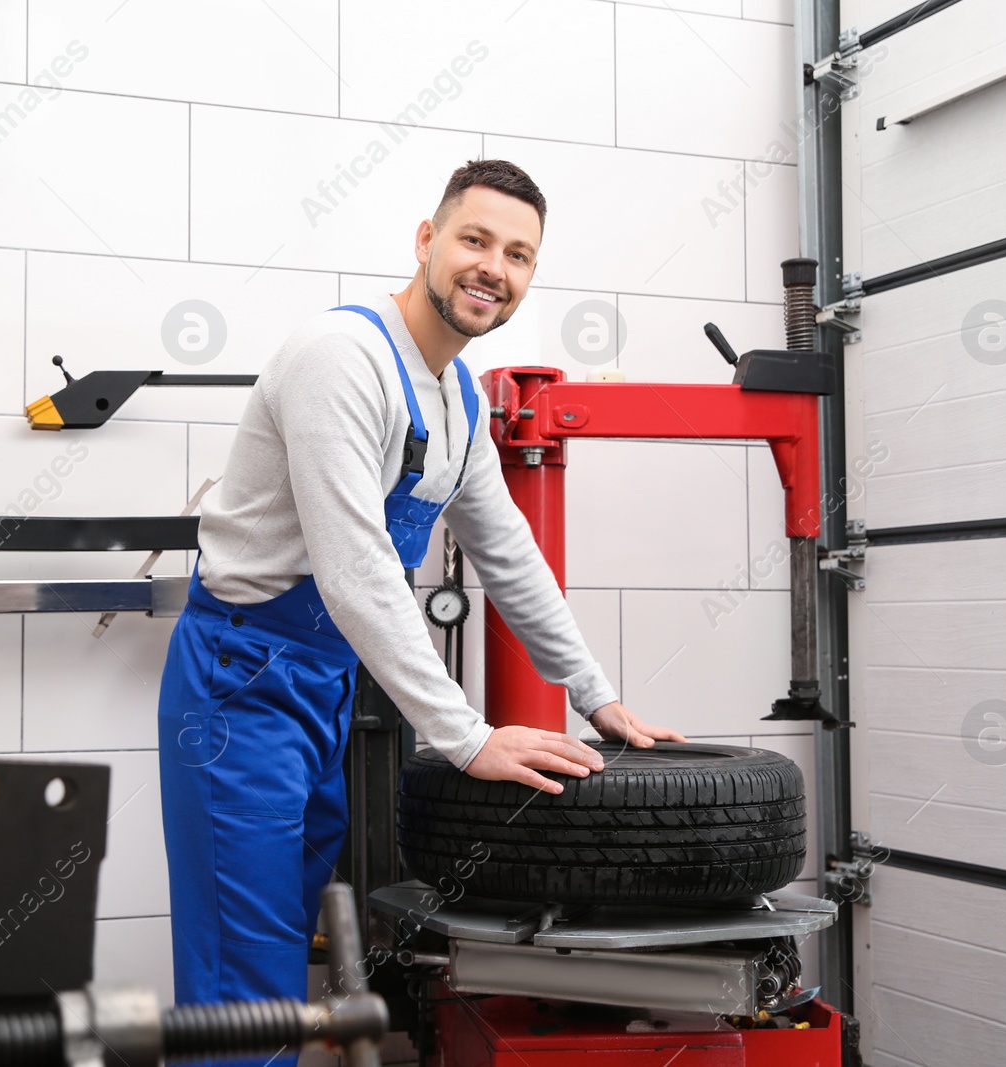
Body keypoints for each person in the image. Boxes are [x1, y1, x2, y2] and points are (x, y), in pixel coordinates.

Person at [156, 159, 684, 1032]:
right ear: (427, 241)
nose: (493, 267)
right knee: (239, 972)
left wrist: (597, 694)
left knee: (284, 939)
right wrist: (467, 736)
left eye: (517, 254)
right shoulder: (342, 359)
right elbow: (357, 568)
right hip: (239, 684)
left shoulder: (457, 402)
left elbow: (509, 554)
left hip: (322, 683)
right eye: (475, 239)